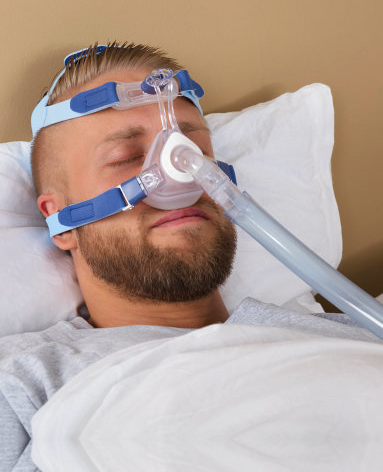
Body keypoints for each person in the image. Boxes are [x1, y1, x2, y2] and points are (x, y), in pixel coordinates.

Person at [0, 42, 380, 471]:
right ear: (61, 219)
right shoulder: (24, 379)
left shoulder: (355, 330)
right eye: (127, 157)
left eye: (192, 153)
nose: (177, 173)